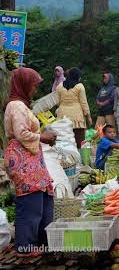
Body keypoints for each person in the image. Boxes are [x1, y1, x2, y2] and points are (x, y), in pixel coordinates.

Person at [4, 68, 57, 257]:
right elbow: (22, 133)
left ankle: (43, 240)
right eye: (34, 85)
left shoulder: (22, 105)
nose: (35, 89)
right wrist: (42, 137)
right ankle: (25, 246)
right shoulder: (16, 106)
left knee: (45, 197)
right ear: (24, 84)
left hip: (32, 157)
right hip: (22, 158)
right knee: (30, 201)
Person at [56, 67, 92, 149]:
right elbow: (84, 103)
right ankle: (77, 158)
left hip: (62, 115)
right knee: (78, 141)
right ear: (77, 76)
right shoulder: (79, 86)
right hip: (77, 117)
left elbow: (57, 102)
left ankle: (65, 159)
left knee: (64, 141)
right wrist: (88, 116)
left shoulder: (59, 86)